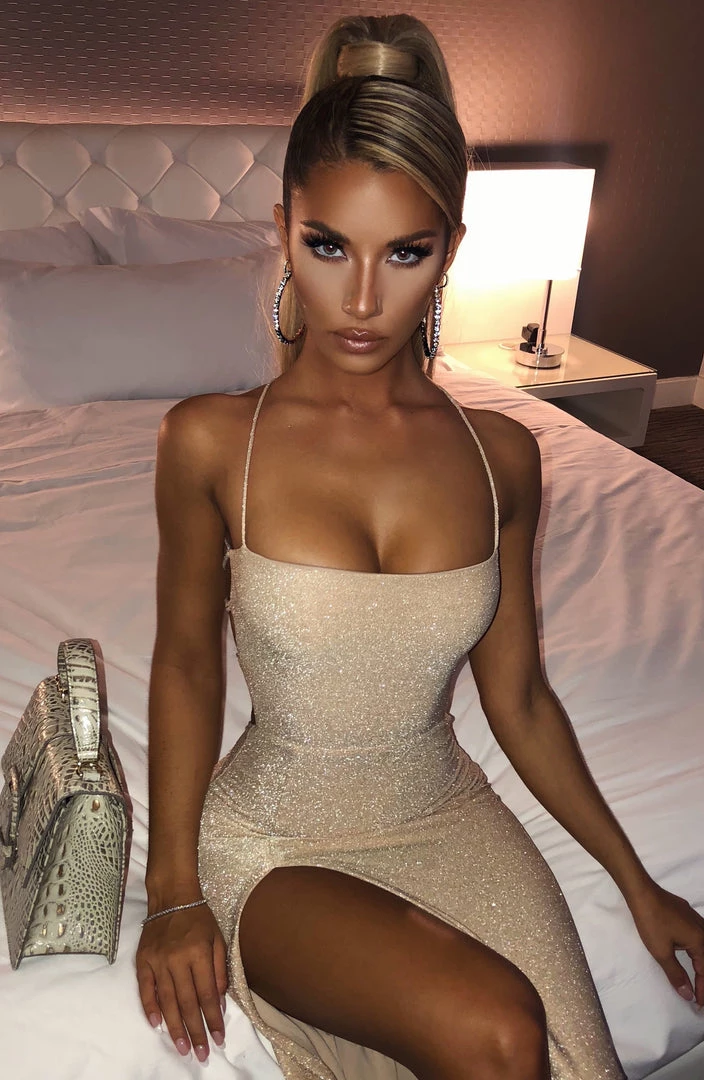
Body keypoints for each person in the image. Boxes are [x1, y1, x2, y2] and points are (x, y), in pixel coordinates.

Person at [136, 14, 704, 1080]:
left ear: (451, 248)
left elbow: (519, 699)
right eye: (327, 247)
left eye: (405, 252)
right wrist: (171, 893)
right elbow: (183, 664)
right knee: (498, 1029)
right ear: (282, 229)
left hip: (449, 815)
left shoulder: (503, 457)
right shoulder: (210, 440)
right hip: (279, 841)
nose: (361, 301)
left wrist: (637, 886)